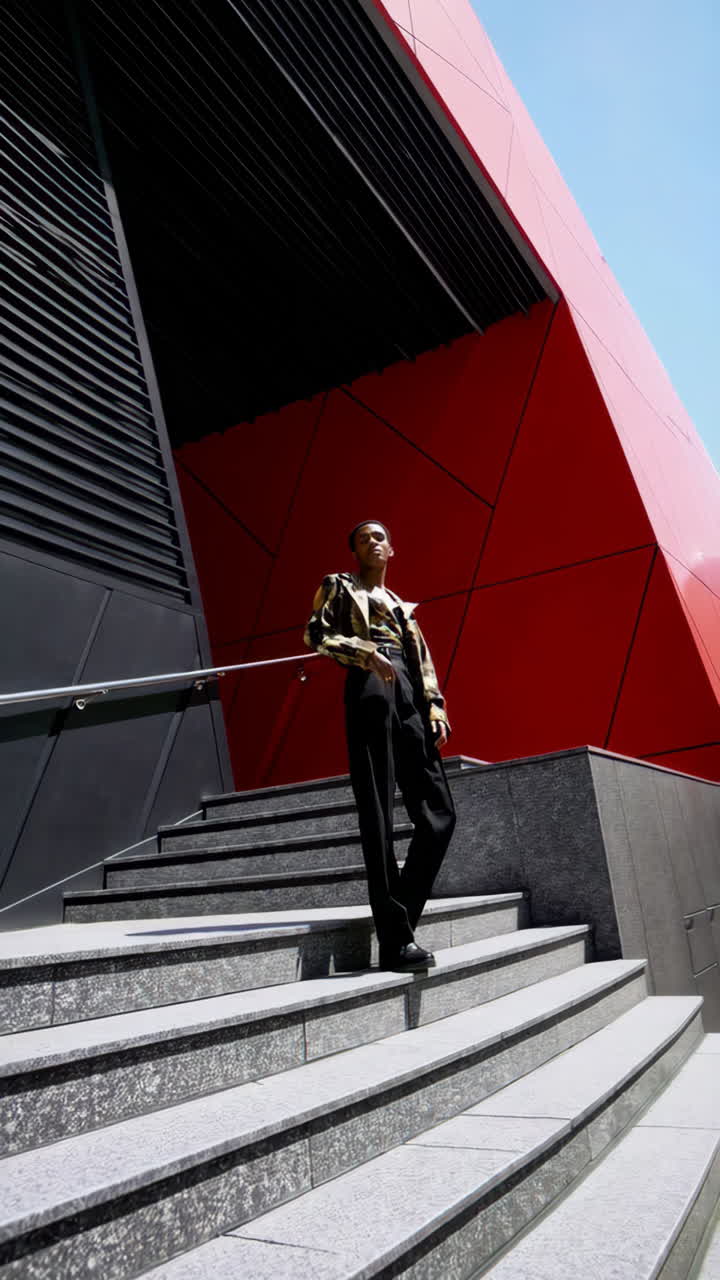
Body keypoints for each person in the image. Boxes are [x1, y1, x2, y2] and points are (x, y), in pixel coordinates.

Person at [304, 519, 456, 971]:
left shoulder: (403, 607)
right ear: (355, 552)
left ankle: (398, 919)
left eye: (379, 537)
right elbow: (315, 634)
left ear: (392, 550)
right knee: (378, 813)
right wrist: (362, 651)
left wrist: (435, 707)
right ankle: (396, 942)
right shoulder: (338, 586)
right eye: (363, 538)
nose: (372, 542)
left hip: (409, 692)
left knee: (440, 814)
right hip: (368, 683)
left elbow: (422, 661)